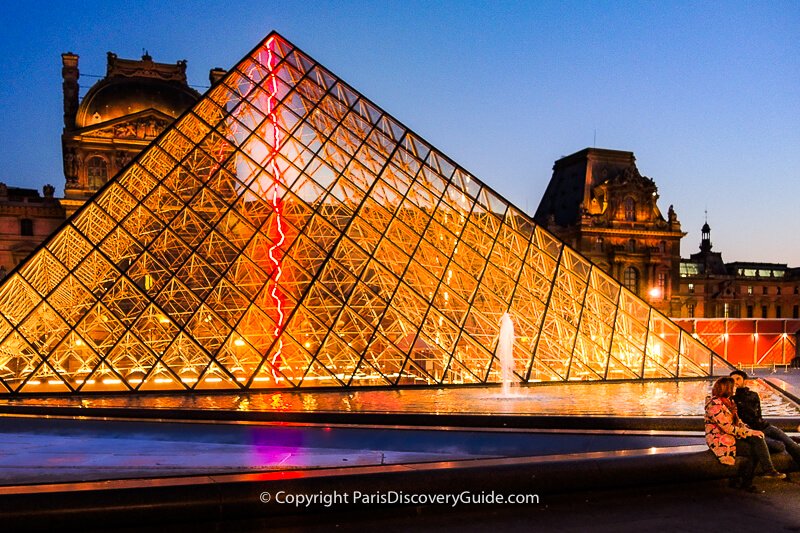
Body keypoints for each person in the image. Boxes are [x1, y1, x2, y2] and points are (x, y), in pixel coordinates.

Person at [705, 377, 785, 492]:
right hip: (720, 439)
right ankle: (756, 477)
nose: (734, 389)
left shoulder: (729, 402)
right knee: (755, 448)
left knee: (757, 440)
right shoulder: (713, 404)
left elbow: (738, 422)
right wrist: (750, 432)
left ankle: (750, 478)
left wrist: (749, 430)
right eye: (732, 387)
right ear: (725, 388)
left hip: (733, 436)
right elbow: (727, 428)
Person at [730, 369, 800, 466]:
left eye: (738, 379)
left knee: (792, 445)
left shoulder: (754, 395)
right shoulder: (731, 399)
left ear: (745, 381)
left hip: (765, 426)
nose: (735, 382)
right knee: (780, 446)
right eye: (732, 380)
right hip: (752, 432)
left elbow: (758, 414)